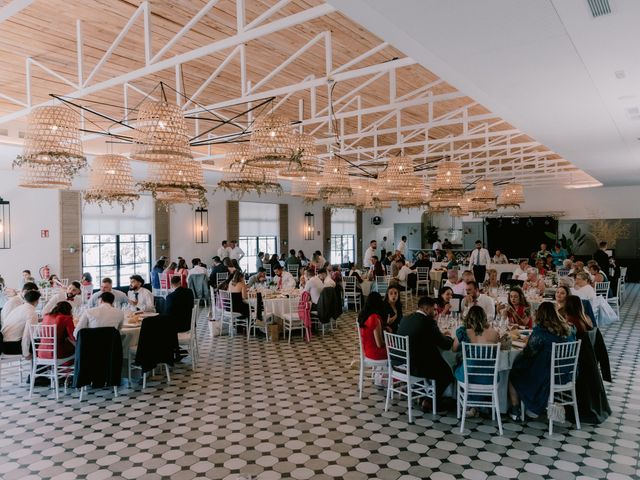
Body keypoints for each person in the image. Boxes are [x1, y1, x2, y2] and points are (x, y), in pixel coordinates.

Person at [508, 302, 576, 420]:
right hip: (567, 373)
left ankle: (516, 409)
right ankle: (533, 406)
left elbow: (529, 353)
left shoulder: (541, 332)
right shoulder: (569, 329)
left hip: (547, 376)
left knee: (514, 372)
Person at [397, 297, 454, 408]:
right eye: (433, 309)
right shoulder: (428, 322)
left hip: (401, 362)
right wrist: (449, 337)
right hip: (416, 366)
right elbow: (445, 344)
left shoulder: (406, 318)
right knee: (448, 372)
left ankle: (421, 393)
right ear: (427, 308)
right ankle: (430, 400)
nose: (435, 312)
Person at [452, 305, 500, 395]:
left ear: (469, 318)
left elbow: (454, 349)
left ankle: (461, 398)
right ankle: (482, 403)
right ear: (485, 318)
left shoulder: (463, 332)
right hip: (489, 377)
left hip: (469, 376)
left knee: (455, 365)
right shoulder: (494, 333)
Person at [0, 290, 41, 355]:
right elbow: (27, 335)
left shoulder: (20, 308)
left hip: (3, 343)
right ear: (37, 301)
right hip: (12, 346)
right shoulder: (32, 313)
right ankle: (39, 364)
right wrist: (26, 353)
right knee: (41, 345)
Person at [357, 292, 387, 360]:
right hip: (375, 353)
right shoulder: (374, 318)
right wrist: (389, 344)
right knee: (398, 350)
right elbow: (379, 344)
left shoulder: (365, 316)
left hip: (367, 350)